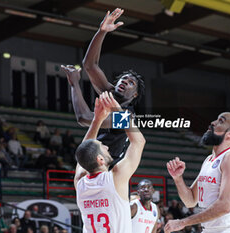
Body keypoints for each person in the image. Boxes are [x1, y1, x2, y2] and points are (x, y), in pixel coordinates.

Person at [61, 8, 145, 166]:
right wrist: (101, 32)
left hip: (108, 169)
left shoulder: (127, 116)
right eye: (123, 79)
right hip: (93, 163)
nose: (125, 81)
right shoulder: (111, 94)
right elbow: (90, 66)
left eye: (131, 83)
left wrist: (74, 84)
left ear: (134, 95)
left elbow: (84, 118)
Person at [74, 91, 145, 233]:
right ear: (100, 159)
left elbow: (84, 151)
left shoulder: (80, 183)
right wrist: (118, 110)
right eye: (103, 148)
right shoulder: (115, 177)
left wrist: (97, 120)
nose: (107, 147)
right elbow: (138, 142)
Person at [164, 112, 230, 233]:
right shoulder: (209, 160)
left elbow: (225, 206)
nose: (213, 123)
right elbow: (190, 201)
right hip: (208, 229)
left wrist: (182, 223)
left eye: (221, 121)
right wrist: (178, 178)